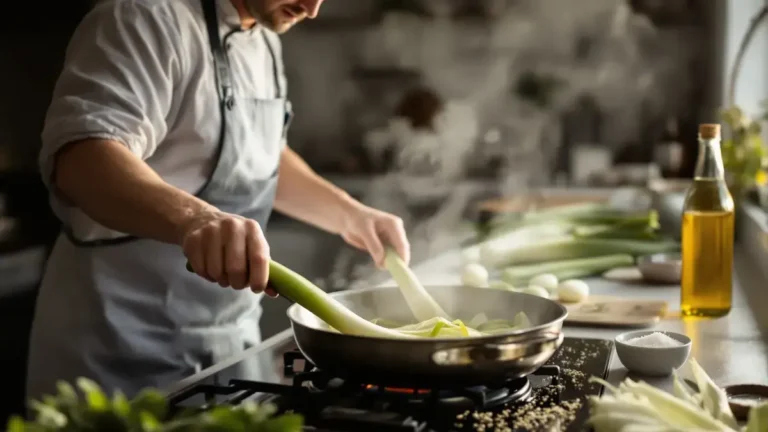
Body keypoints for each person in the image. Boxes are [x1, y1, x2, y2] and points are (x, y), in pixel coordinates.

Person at [25, 0, 410, 402]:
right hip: (119, 347)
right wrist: (195, 218)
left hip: (229, 343)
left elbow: (257, 155)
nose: (312, 9)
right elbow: (83, 159)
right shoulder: (145, 18)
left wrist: (348, 213)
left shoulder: (262, 37)